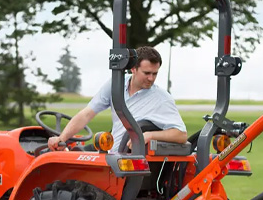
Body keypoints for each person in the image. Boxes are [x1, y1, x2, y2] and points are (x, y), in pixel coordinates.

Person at [47, 46, 187, 152]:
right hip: (110, 151)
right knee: (75, 153)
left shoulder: (162, 99)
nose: (151, 78)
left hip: (125, 160)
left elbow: (181, 134)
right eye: (147, 73)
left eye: (155, 73)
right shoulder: (116, 84)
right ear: (133, 68)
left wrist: (149, 135)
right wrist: (62, 138)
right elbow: (87, 113)